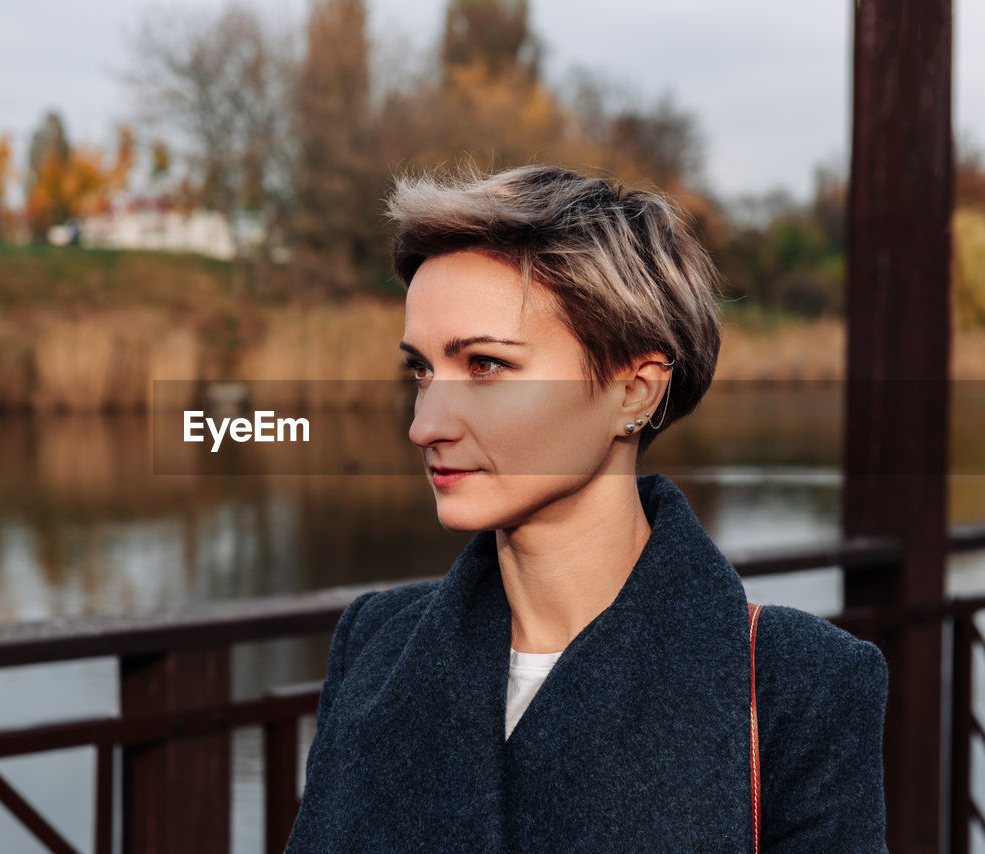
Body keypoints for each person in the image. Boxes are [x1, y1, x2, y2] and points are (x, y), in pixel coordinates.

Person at [283, 165, 888, 852]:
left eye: (485, 366)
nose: (426, 425)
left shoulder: (796, 683)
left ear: (635, 392)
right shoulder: (377, 646)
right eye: (421, 370)